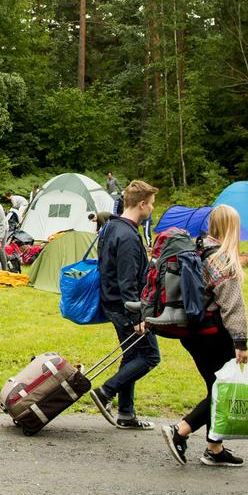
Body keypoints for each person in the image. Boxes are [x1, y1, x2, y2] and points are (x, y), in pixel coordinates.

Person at [162, 204, 248, 468]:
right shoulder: (223, 259)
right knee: (223, 389)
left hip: (190, 330)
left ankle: (214, 447)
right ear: (231, 228)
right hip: (213, 333)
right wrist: (241, 342)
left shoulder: (196, 247)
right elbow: (233, 305)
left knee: (215, 386)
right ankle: (180, 430)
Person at [91, 180, 161, 430]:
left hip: (113, 302)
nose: (152, 209)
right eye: (151, 204)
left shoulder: (111, 226)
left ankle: (126, 413)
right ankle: (105, 391)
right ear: (142, 204)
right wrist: (137, 317)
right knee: (150, 356)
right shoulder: (128, 236)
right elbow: (127, 281)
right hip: (126, 308)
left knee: (131, 356)